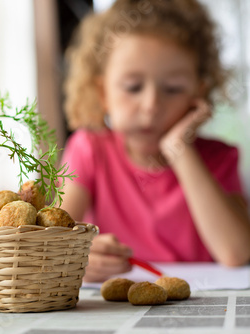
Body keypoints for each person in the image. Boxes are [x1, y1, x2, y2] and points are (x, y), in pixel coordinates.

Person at [60, 0, 250, 282]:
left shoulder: (218, 158)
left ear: (198, 95)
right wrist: (79, 257)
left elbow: (236, 253)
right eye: (133, 87)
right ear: (102, 92)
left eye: (173, 89)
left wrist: (179, 149)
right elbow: (52, 240)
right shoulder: (88, 149)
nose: (151, 105)